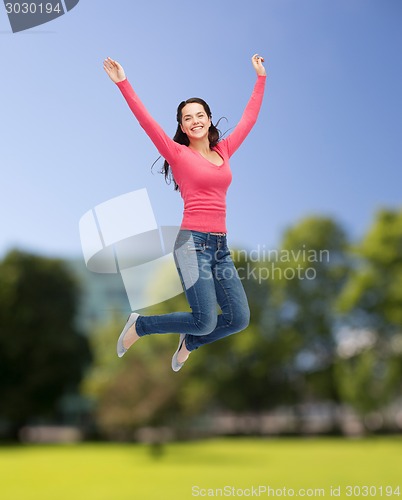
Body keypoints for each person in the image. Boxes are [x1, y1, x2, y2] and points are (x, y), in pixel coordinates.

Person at [103, 54, 266, 371]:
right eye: (188, 117)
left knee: (239, 318)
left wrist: (261, 78)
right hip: (192, 244)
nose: (195, 120)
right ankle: (141, 325)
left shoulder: (225, 151)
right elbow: (146, 121)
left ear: (209, 119)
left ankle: (189, 342)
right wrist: (123, 82)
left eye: (200, 114)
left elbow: (249, 119)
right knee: (204, 320)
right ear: (181, 125)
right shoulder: (177, 154)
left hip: (220, 247)